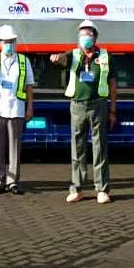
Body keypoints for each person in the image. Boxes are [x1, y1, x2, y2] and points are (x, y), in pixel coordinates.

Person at [51, 20, 116, 204]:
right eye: (81, 34)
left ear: (95, 36)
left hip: (99, 105)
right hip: (77, 105)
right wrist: (56, 57)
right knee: (77, 146)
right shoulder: (73, 54)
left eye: (88, 34)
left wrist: (113, 109)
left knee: (100, 147)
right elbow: (63, 59)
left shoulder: (105, 56)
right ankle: (77, 188)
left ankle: (102, 189)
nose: (84, 38)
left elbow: (112, 83)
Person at [0, 25, 35, 194]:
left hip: (16, 108)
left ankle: (12, 181)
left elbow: (29, 86)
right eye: (6, 42)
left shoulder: (24, 61)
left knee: (15, 147)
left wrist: (30, 107)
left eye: (12, 41)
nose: (9, 44)